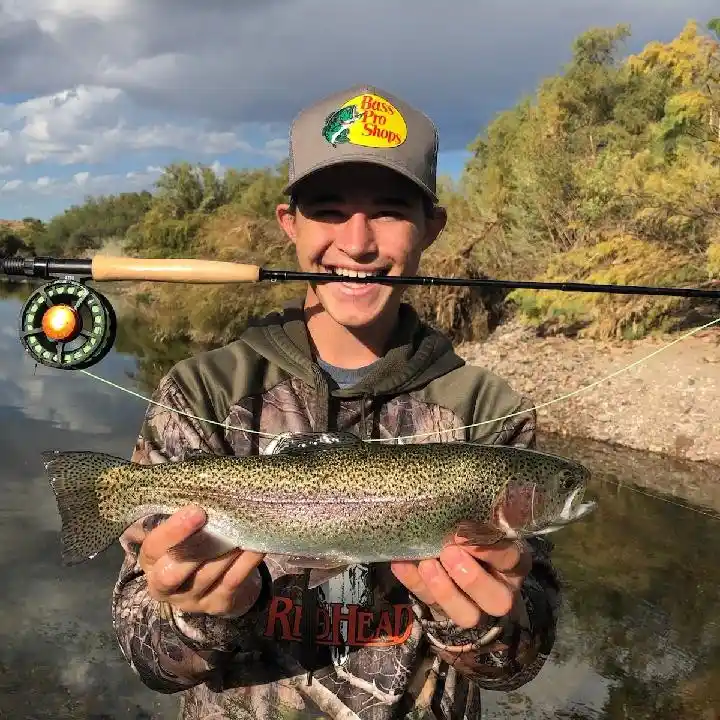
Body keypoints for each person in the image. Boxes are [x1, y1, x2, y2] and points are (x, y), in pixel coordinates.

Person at [112, 84, 561, 720]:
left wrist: (484, 625)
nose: (357, 243)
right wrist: (194, 620)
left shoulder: (490, 410)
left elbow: (519, 665)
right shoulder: (204, 391)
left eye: (388, 211)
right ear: (288, 223)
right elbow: (146, 657)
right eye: (327, 211)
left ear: (431, 227)